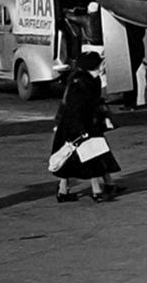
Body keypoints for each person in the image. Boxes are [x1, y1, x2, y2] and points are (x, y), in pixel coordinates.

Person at [51, 51, 123, 203]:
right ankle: (97, 191)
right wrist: (81, 131)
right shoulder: (79, 85)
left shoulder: (91, 80)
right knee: (91, 157)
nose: (102, 66)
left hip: (86, 124)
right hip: (77, 127)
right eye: (99, 64)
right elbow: (74, 110)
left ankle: (64, 190)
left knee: (73, 159)